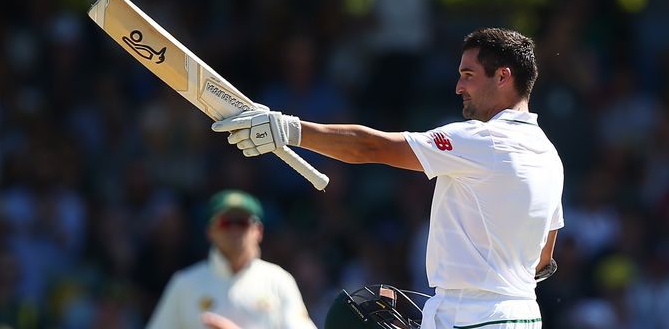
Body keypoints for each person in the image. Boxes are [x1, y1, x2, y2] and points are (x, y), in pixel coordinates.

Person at [212, 28, 564, 329]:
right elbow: (543, 259)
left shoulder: (482, 140)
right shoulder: (549, 155)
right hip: (523, 314)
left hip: (471, 317)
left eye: (468, 75)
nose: (459, 86)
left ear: (503, 77)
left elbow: (371, 147)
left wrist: (288, 129)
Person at [146, 189, 317, 329]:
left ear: (258, 231)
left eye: (242, 222)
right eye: (225, 222)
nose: (234, 229)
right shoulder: (184, 284)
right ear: (210, 231)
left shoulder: (279, 281)